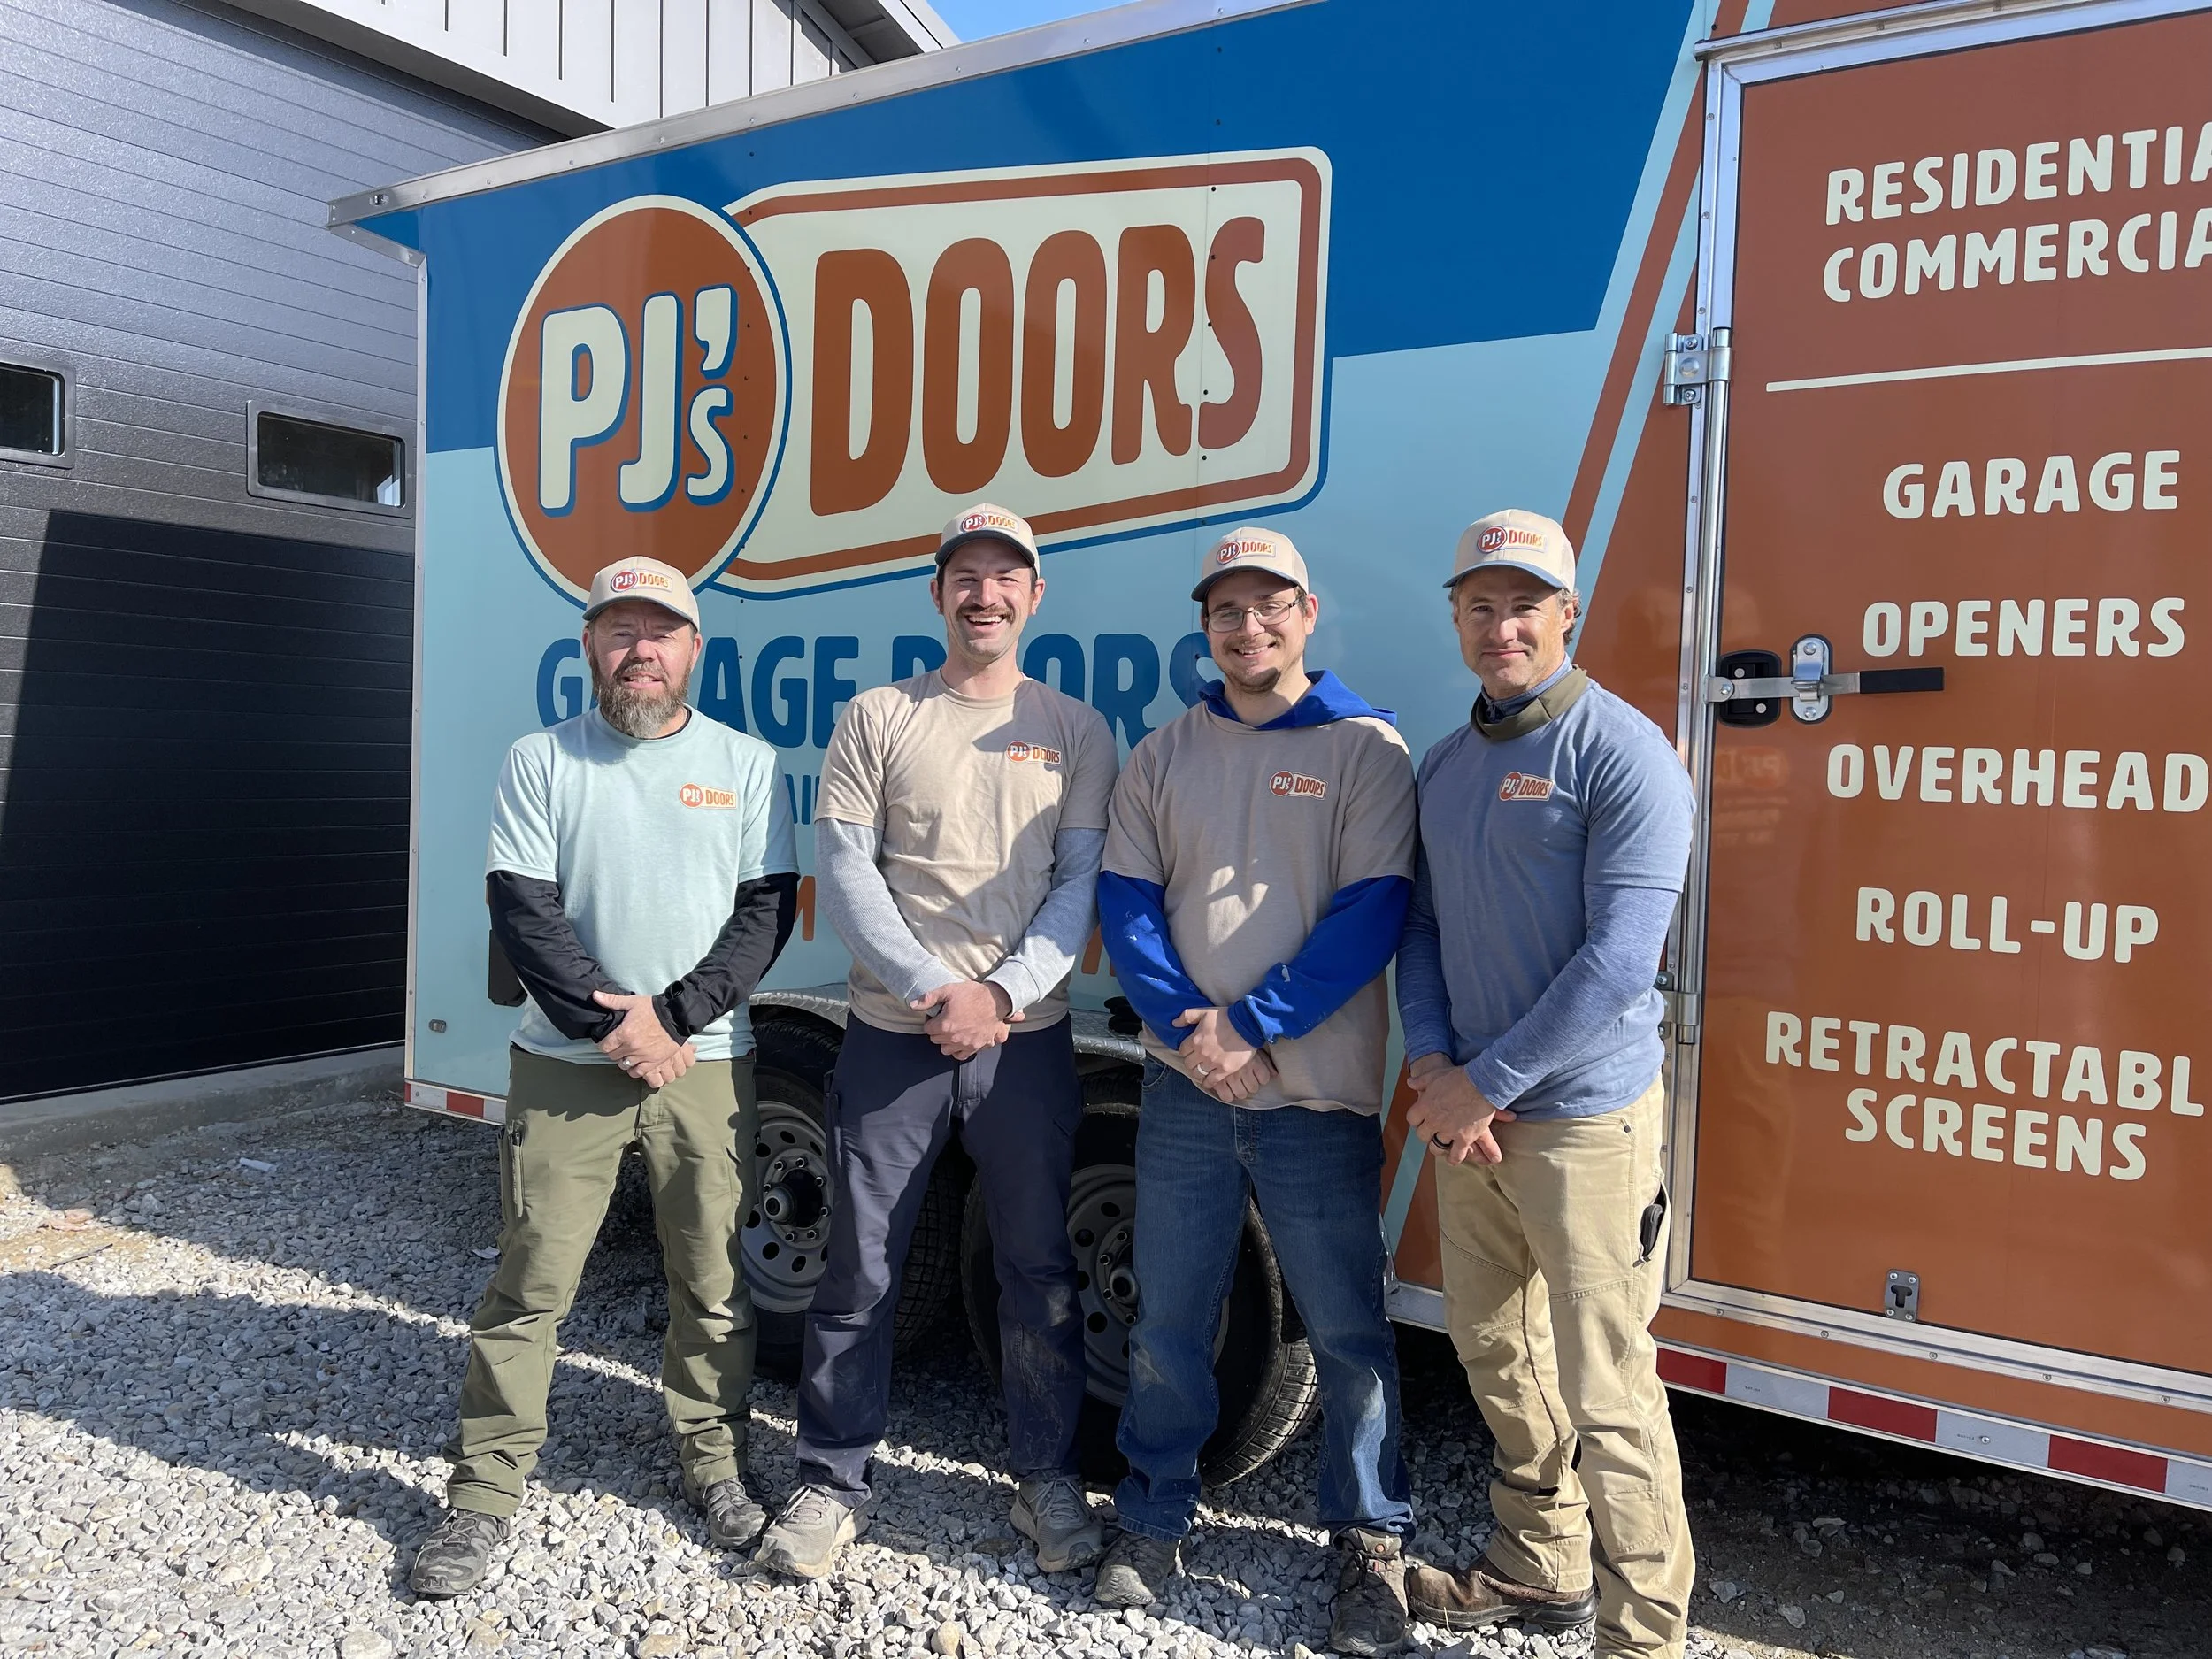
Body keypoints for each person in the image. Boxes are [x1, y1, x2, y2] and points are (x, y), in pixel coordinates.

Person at [410, 556, 798, 1597]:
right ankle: (484, 1497)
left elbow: (765, 914)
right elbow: (523, 910)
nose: (640, 650)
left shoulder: (748, 763)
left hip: (704, 1063)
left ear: (693, 651)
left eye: (659, 632)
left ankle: (714, 1465)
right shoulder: (541, 760)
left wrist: (669, 1019)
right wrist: (613, 1028)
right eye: (619, 630)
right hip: (563, 1065)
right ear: (590, 646)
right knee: (531, 1284)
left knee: (712, 1283)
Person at [755, 504, 1118, 1581]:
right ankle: (830, 1478)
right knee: (859, 1266)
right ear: (939, 593)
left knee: (1038, 1268)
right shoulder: (877, 718)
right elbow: (850, 871)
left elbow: (1077, 884)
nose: (986, 594)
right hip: (890, 1036)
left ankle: (1044, 1479)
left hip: (1026, 1039)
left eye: (1008, 577)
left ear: (1035, 597)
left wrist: (999, 995)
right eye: (967, 575)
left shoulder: (1078, 730)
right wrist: (933, 992)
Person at [1091, 527, 1419, 1658]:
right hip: (1189, 1087)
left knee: (1345, 1328)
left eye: (1268, 606)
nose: (1248, 628)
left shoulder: (1364, 749)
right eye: (1226, 611)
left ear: (1308, 612)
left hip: (1314, 1099)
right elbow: (1128, 907)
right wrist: (1197, 1032)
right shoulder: (1164, 752)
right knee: (1168, 1316)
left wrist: (1251, 1025)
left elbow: (1370, 914)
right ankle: (1150, 1512)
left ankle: (1369, 1544)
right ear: (1207, 626)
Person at [1395, 510, 1695, 1657]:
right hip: (1473, 1117)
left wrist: (1485, 1082)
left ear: (1566, 614)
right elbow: (1419, 923)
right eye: (1480, 603)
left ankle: (1644, 1635)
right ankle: (1538, 1562)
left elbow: (1621, 957)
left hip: (1584, 1123)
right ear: (1458, 617)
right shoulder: (1447, 763)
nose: (1501, 623)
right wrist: (1433, 1068)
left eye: (1525, 603)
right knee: (1492, 1345)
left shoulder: (1621, 751)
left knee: (1609, 1385)